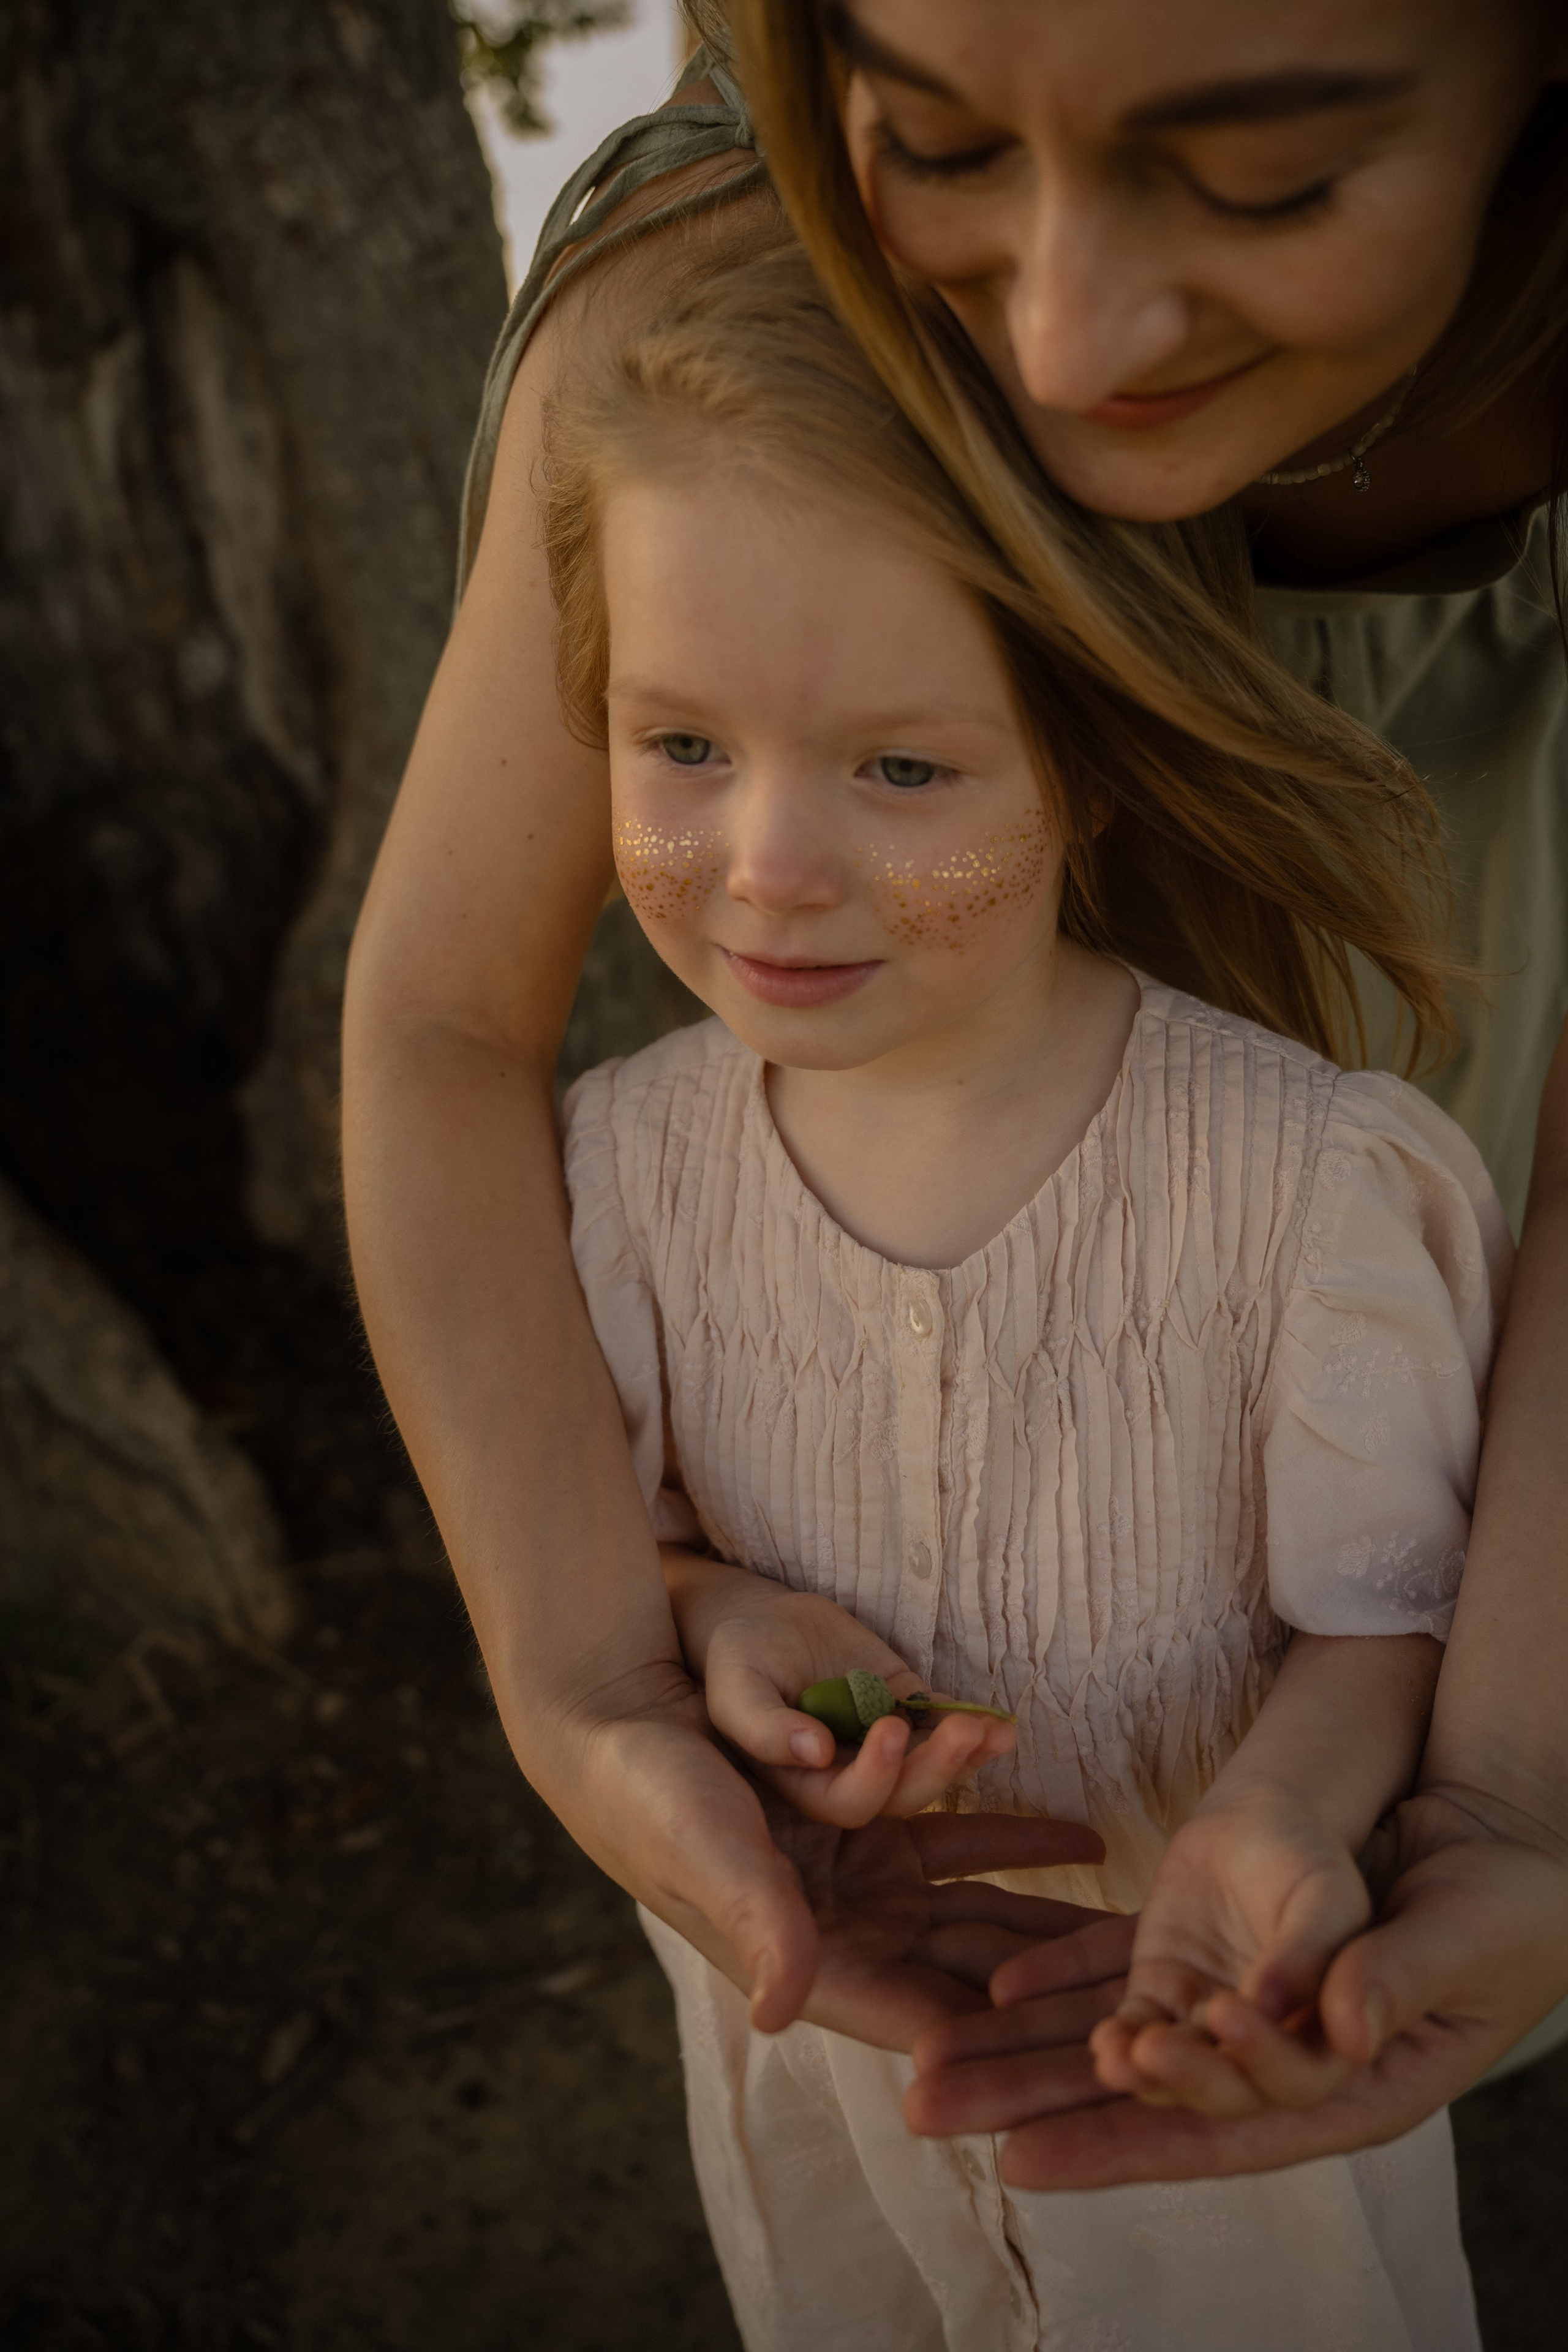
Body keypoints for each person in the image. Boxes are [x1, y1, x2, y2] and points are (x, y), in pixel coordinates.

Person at [341, 0, 1568, 2183]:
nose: (1072, 336)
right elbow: (442, 1030)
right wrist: (607, 1669)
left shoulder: (1312, 1189)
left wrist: (1494, 1795)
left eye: (1267, 178)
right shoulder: (708, 328)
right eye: (939, 139)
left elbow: (1382, 1583)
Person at [543, 237, 1504, 2348]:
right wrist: (714, 1625)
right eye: (680, 742)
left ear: (1097, 754)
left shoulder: (1301, 1181)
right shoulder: (617, 1170)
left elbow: (1388, 1610)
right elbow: (646, 1541)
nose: (771, 861)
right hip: (829, 2050)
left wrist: (1277, 1809)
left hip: (1203, 2030)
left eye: (903, 769)